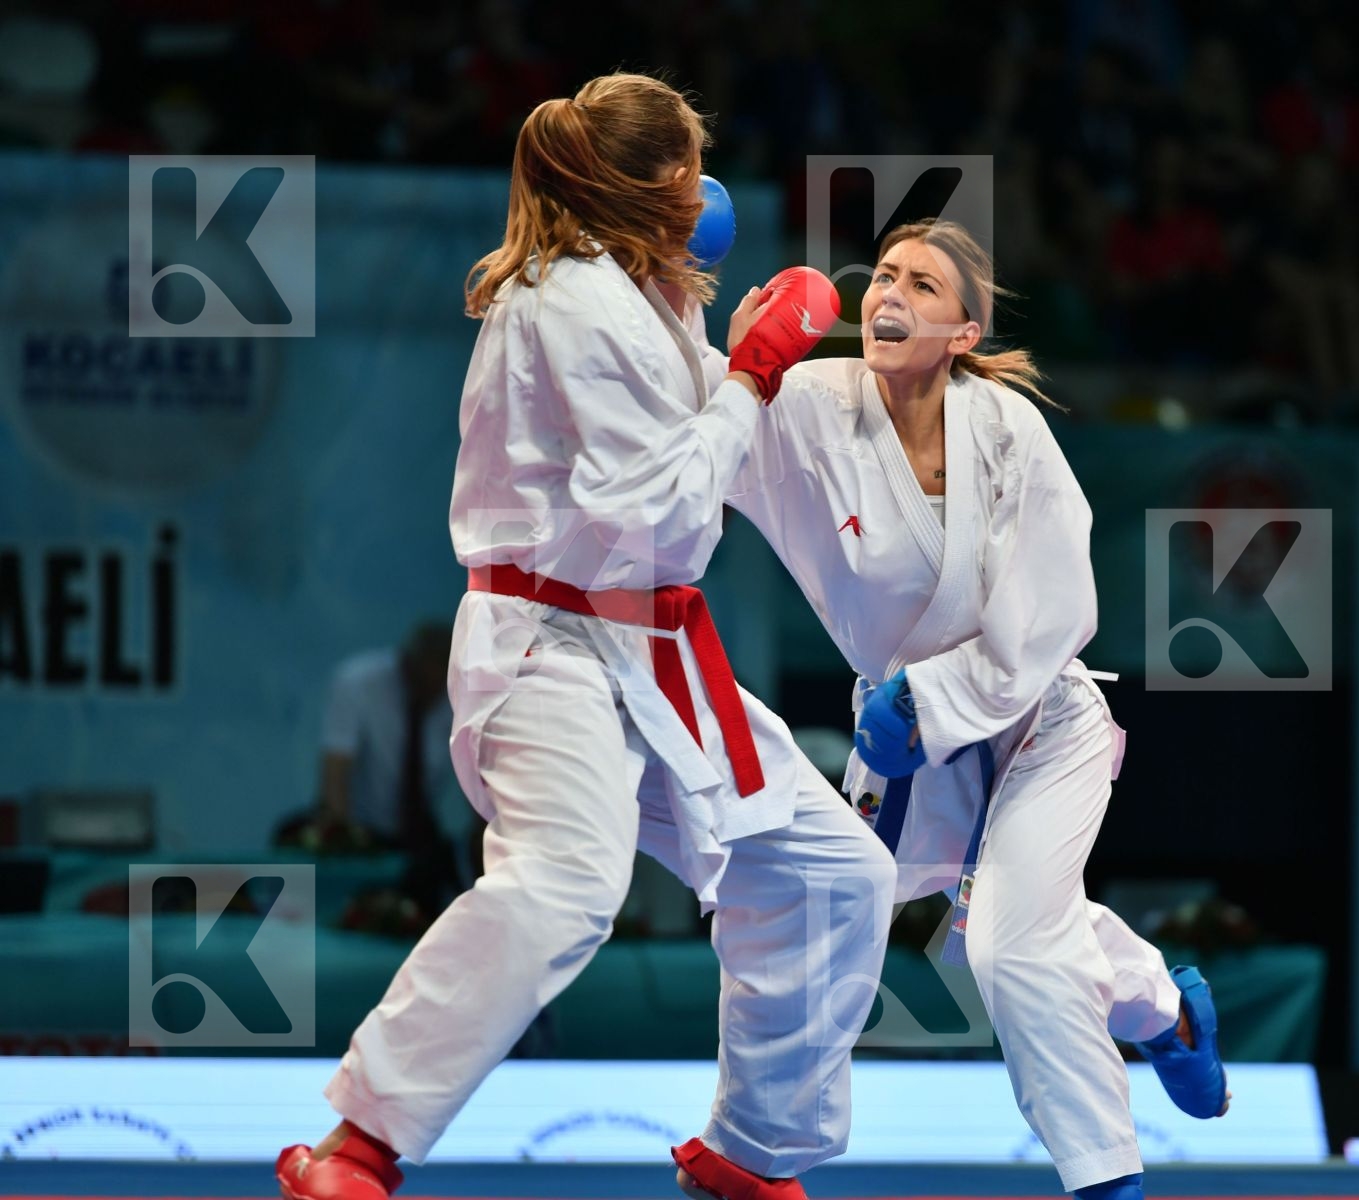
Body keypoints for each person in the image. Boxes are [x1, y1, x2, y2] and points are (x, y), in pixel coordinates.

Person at [274, 73, 896, 1200]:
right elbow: (653, 505)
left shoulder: (646, 297)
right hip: (550, 647)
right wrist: (756, 372)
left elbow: (731, 435)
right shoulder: (565, 302)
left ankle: (752, 1149)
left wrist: (834, 377)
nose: (709, 186)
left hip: (653, 654)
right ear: (657, 182)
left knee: (832, 870)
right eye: (694, 163)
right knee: (566, 883)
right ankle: (357, 1147)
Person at [723, 219, 1228, 1200]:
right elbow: (700, 420)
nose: (889, 294)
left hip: (1039, 719)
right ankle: (1166, 1008)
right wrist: (733, 363)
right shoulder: (816, 405)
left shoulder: (1004, 431)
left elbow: (1059, 607)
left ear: (962, 332)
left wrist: (936, 696)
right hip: (909, 736)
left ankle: (1106, 1181)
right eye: (884, 277)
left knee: (1010, 946)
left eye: (922, 283)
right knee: (924, 919)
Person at [299, 622, 467, 916]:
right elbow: (336, 773)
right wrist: (345, 845)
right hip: (359, 830)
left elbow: (483, 785)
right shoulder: (357, 683)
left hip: (418, 834)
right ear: (406, 665)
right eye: (424, 683)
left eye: (439, 687)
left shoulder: (463, 698)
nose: (432, 695)